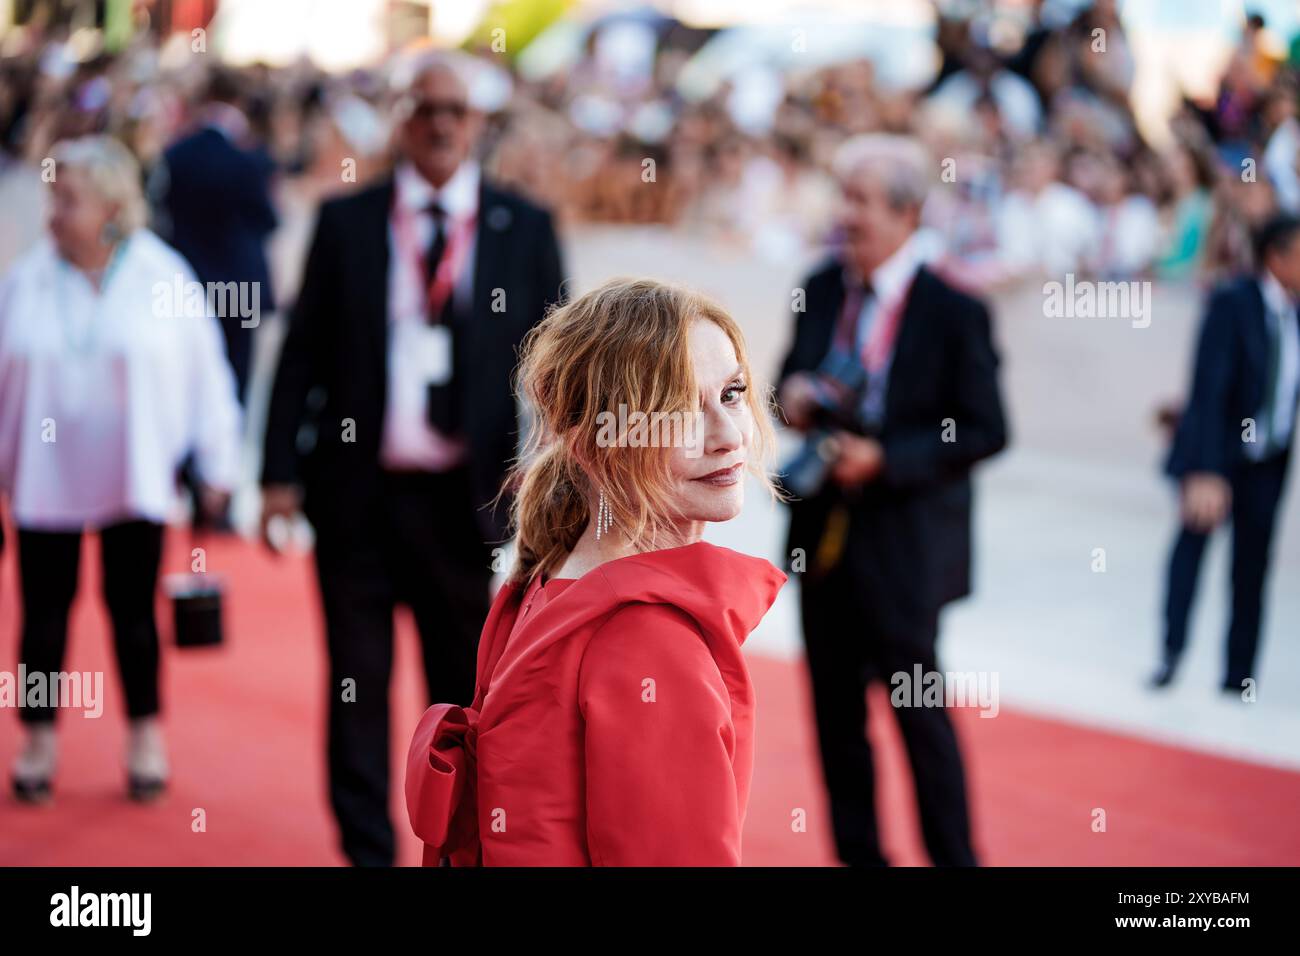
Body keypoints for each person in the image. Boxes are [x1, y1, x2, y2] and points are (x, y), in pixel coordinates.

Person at [260, 55, 566, 867]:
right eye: (425, 108)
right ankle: (367, 852)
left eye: (456, 112)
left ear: (477, 126)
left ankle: (458, 846)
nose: (440, 124)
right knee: (356, 685)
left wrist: (564, 484)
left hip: (466, 506)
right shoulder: (347, 220)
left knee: (464, 698)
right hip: (356, 494)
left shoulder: (522, 226)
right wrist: (275, 474)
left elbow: (562, 370)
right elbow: (301, 354)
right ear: (401, 120)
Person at [405, 278, 787, 866]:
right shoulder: (649, 639)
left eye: (731, 393)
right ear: (592, 444)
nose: (729, 436)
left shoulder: (544, 582)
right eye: (680, 410)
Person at [777, 134, 1008, 866]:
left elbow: (986, 429)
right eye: (842, 197)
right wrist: (794, 399)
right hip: (821, 540)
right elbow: (787, 380)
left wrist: (887, 460)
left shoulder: (952, 309)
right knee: (834, 721)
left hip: (905, 548)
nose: (846, 215)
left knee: (918, 717)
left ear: (907, 213)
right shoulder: (821, 286)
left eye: (862, 201)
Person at [0, 135, 242, 802]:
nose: (52, 212)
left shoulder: (162, 276)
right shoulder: (27, 278)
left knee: (131, 611)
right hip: (44, 473)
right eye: (53, 197)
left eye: (67, 199)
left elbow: (207, 376)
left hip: (134, 472)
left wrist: (217, 461)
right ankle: (39, 739)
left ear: (110, 203)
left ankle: (144, 735)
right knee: (43, 615)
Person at [1154, 213, 1300, 693]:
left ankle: (1239, 677)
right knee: (1191, 552)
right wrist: (1205, 470)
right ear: (1276, 255)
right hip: (1218, 457)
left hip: (1268, 461)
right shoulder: (1233, 302)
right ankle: (1171, 655)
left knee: (1252, 564)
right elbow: (1208, 390)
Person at [154, 66, 278, 403]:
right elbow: (266, 220)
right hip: (239, 285)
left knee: (189, 380)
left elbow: (162, 215)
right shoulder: (249, 157)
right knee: (234, 382)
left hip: (188, 281)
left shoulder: (176, 153)